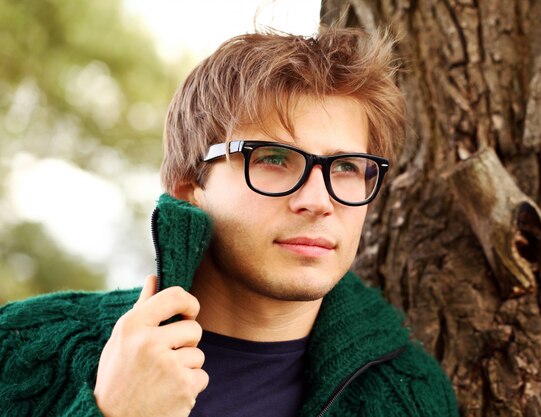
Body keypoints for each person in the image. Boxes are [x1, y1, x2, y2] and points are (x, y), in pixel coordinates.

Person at [0, 26, 458, 416]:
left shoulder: (413, 394)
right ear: (188, 187)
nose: (318, 201)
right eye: (274, 159)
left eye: (346, 167)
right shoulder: (22, 346)